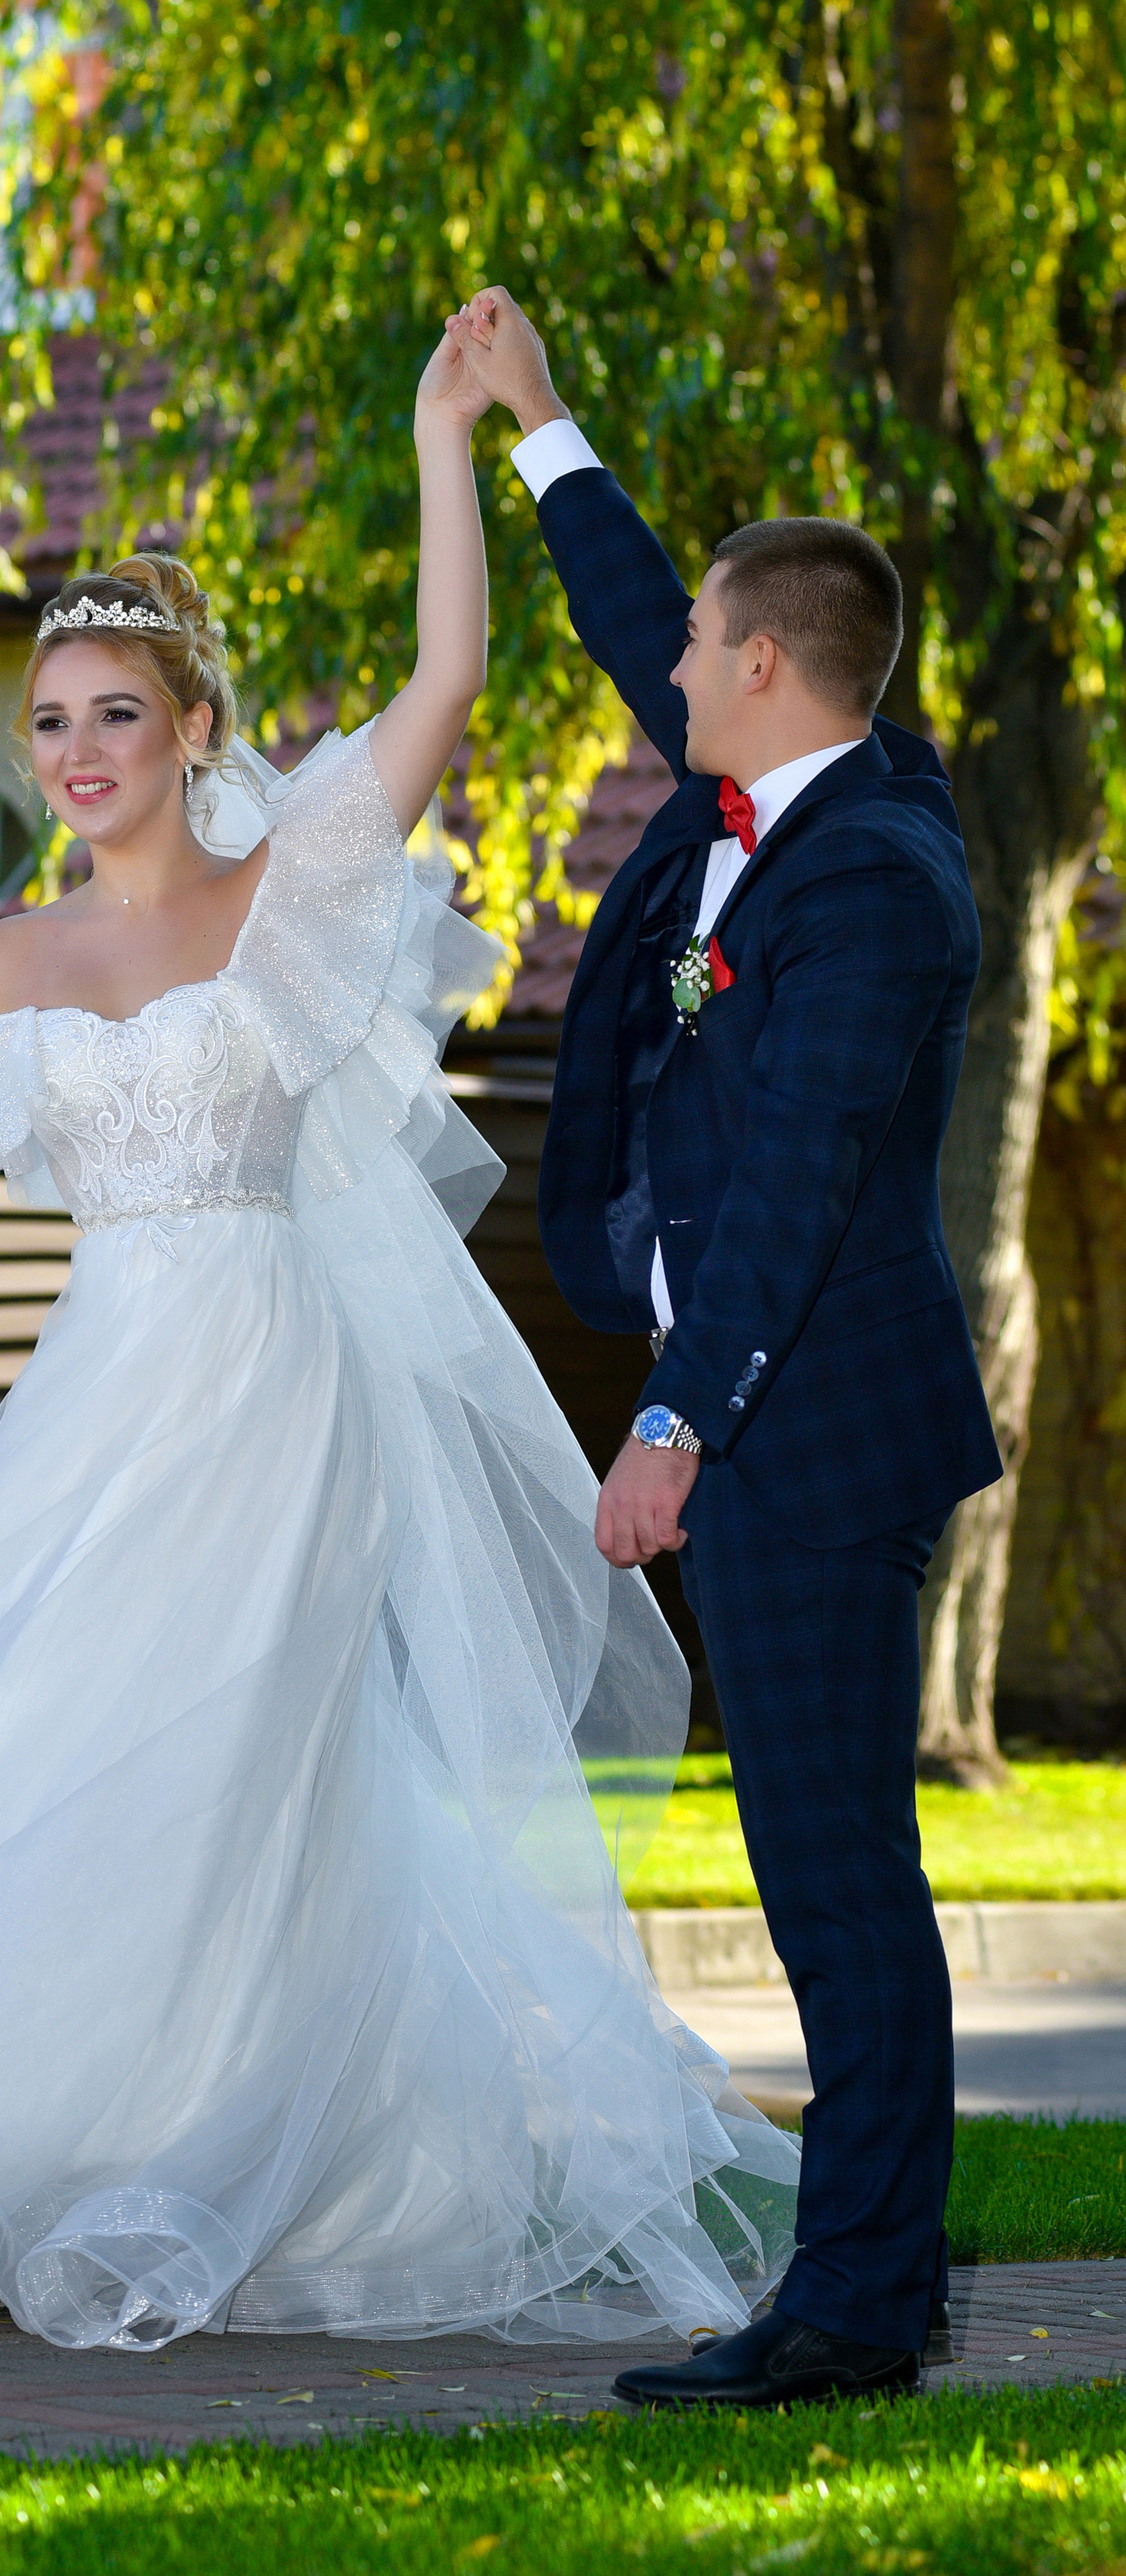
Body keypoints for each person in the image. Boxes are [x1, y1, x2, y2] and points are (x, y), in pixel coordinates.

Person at [0, 309, 800, 2355]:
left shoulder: (287, 891)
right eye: (50, 722)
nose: (82, 749)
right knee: (41, 1734)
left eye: (119, 711)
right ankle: (13, 2149)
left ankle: (224, 2165)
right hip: (103, 1384)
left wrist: (438, 429)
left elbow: (450, 677)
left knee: (246, 1755)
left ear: (195, 726)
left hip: (283, 1388)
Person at [458, 287, 1002, 2410]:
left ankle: (861, 2305)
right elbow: (639, 615)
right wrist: (544, 425)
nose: (663, 668)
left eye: (699, 646)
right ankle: (875, 2283)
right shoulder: (782, 785)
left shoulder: (873, 876)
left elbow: (793, 1178)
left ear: (768, 672)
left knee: (840, 1873)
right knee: (822, 1863)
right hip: (768, 1424)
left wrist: (674, 1416)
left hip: (814, 1437)